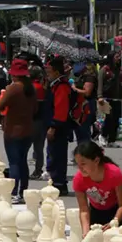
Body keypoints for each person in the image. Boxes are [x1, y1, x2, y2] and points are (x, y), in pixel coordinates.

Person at [0, 58, 37, 203]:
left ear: (13, 74)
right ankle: (23, 191)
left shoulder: (13, 88)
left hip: (13, 130)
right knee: (23, 161)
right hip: (28, 129)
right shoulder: (31, 88)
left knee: (14, 162)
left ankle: (14, 192)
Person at [73, 140, 122, 230]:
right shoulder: (78, 179)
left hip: (117, 208)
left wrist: (114, 222)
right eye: (78, 164)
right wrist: (85, 230)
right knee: (94, 237)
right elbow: (84, 210)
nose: (80, 168)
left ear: (96, 160)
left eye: (83, 164)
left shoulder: (114, 173)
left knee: (111, 236)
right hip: (96, 209)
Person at [45, 56, 72, 195]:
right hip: (57, 126)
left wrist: (53, 127)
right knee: (54, 153)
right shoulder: (56, 84)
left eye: (49, 71)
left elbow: (61, 109)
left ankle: (59, 184)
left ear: (56, 72)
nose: (47, 74)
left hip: (59, 127)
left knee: (57, 155)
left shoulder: (61, 86)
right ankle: (56, 181)